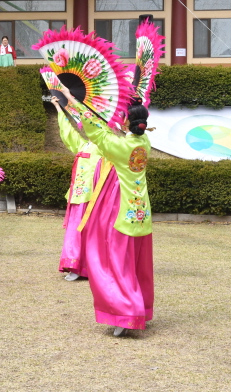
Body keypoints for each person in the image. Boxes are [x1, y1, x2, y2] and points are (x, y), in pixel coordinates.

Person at [61, 86, 154, 337]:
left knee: (114, 262)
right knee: (137, 264)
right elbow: (106, 132)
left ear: (125, 121)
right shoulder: (143, 142)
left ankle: (127, 313)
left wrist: (72, 100)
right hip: (140, 210)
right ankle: (140, 307)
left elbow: (94, 130)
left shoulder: (118, 147)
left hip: (119, 208)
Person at [50, 96, 102, 281]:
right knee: (75, 230)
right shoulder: (85, 144)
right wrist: (58, 107)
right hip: (78, 194)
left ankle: (90, 267)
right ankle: (75, 265)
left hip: (94, 196)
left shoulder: (105, 144)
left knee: (91, 232)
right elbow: (68, 133)